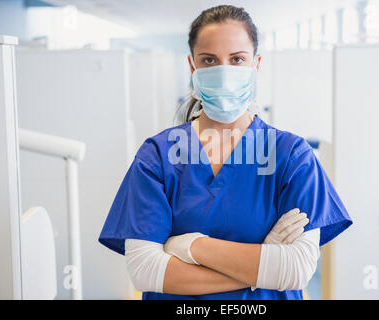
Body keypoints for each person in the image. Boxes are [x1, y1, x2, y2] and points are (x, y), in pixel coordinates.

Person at [98, 5, 352, 300]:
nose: (224, 71)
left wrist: (191, 247)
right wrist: (265, 263)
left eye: (237, 59)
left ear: (255, 65)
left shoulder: (292, 156)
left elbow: (296, 269)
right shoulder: (157, 156)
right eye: (209, 60)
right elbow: (145, 270)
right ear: (193, 67)